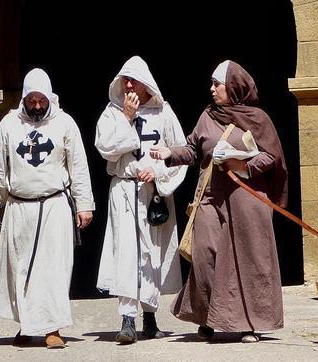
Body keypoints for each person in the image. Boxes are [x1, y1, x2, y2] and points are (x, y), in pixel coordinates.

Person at [150, 60, 288, 343]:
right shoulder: (207, 116)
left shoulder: (257, 118)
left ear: (234, 87)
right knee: (205, 254)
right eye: (212, 84)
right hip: (211, 196)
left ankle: (250, 323)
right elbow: (192, 148)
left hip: (245, 196)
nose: (211, 89)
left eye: (217, 84)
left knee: (247, 259)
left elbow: (271, 155)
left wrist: (244, 166)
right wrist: (169, 153)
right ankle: (212, 317)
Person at [0, 68, 95, 349]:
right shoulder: (9, 125)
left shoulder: (65, 123)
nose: (36, 106)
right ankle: (27, 325)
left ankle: (52, 328)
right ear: (23, 97)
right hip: (20, 208)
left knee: (52, 270)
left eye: (40, 100)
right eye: (31, 100)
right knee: (21, 270)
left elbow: (78, 167)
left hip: (54, 207)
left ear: (48, 97)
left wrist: (84, 205)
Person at [94, 56, 188, 344]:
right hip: (124, 190)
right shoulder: (112, 112)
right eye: (125, 80)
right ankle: (127, 319)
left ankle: (149, 317)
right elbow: (105, 148)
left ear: (146, 84)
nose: (129, 85)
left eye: (133, 80)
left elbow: (180, 152)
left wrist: (158, 173)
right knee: (126, 254)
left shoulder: (164, 112)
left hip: (154, 193)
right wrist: (126, 118)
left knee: (153, 256)